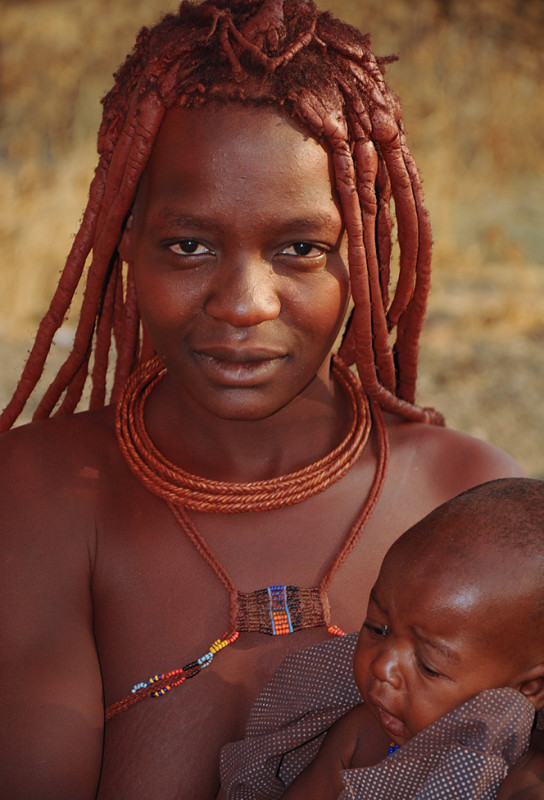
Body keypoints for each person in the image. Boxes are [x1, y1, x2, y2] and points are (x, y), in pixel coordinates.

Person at [0, 1, 537, 798]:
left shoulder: (469, 503)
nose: (244, 304)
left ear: (364, 248)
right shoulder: (38, 494)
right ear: (123, 242)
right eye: (189, 244)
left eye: (300, 249)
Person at [220, 478, 544, 799]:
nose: (382, 666)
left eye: (428, 666)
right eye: (378, 628)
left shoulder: (519, 787)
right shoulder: (363, 737)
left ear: (530, 689)